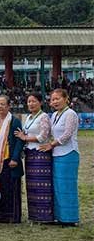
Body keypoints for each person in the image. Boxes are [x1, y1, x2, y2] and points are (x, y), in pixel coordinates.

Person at [39, 88, 80, 226]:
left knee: (67, 187)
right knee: (58, 187)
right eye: (52, 99)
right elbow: (49, 132)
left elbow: (67, 134)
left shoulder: (71, 114)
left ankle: (70, 218)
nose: (55, 102)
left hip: (68, 154)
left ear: (66, 98)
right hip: (56, 154)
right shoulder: (55, 115)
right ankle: (60, 217)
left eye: (57, 98)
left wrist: (52, 144)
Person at [15, 92, 53, 223]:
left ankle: (45, 216)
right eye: (29, 101)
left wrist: (25, 138)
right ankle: (34, 215)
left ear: (40, 103)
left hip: (41, 154)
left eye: (34, 101)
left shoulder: (44, 117)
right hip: (30, 155)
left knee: (43, 186)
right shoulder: (29, 117)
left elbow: (43, 136)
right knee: (32, 186)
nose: (30, 104)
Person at [0, 95, 24, 224]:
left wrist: (15, 158)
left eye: (3, 104)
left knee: (11, 189)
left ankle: (12, 216)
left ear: (9, 106)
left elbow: (20, 141)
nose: (0, 106)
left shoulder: (14, 121)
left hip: (9, 160)